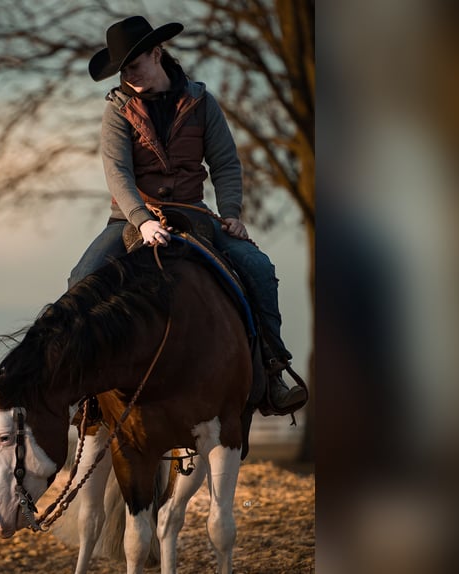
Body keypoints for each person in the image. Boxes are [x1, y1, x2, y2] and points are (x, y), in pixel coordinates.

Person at [68, 15, 306, 415]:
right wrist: (141, 219)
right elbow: (117, 172)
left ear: (157, 53)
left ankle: (272, 369)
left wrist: (230, 213)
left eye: (135, 63)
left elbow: (226, 164)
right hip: (130, 217)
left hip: (195, 212)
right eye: (123, 68)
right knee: (82, 278)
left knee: (258, 267)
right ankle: (87, 393)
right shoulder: (117, 111)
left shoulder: (201, 102)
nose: (129, 74)